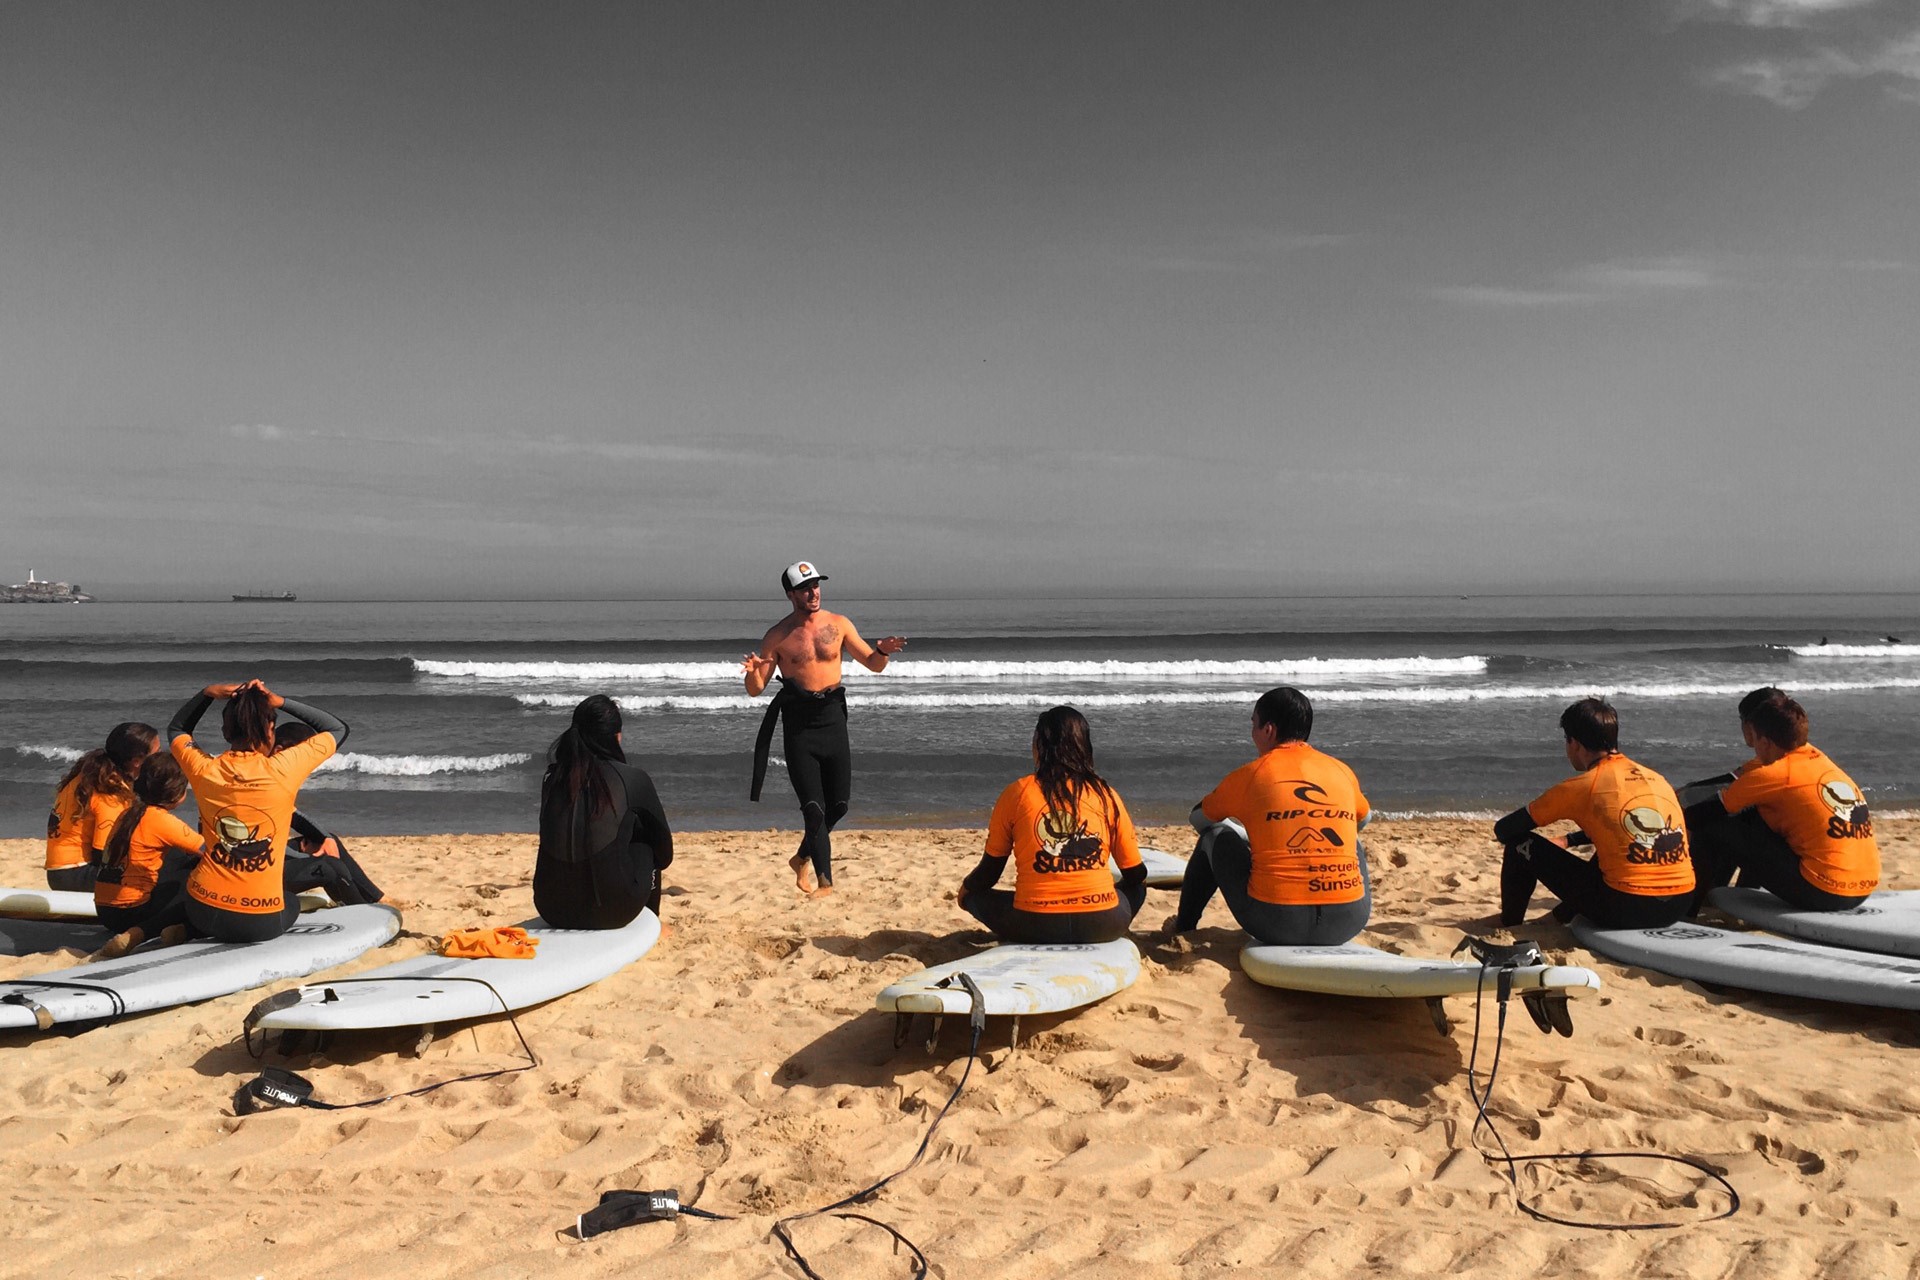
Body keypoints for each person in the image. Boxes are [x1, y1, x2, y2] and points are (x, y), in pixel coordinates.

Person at [742, 559, 906, 897]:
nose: (813, 592)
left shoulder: (839, 624)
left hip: (832, 719)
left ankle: (801, 856)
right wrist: (752, 672)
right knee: (813, 808)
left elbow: (873, 665)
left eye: (816, 585)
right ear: (791, 594)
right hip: (799, 727)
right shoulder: (777, 636)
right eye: (805, 588)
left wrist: (882, 651)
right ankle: (825, 882)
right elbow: (757, 688)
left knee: (839, 806)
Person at [1171, 686, 1372, 946]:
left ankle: (1184, 926)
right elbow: (1363, 820)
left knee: (1214, 836)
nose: (1252, 733)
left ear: (1268, 730)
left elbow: (1199, 820)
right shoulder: (1341, 770)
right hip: (1347, 921)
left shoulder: (1250, 775)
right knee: (1351, 841)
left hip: (1277, 922)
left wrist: (1253, 836)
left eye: (1253, 725)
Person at [169, 680, 345, 943]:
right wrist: (280, 701)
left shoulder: (203, 768)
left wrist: (206, 694)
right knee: (300, 895)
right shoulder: (284, 768)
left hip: (201, 910)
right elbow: (337, 728)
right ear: (270, 730)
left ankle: (190, 929)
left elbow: (178, 728)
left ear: (225, 731)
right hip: (260, 923)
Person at [1494, 697, 1693, 929]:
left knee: (1521, 844)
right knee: (1615, 848)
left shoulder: (1581, 786)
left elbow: (1505, 829)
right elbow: (1616, 820)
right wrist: (1569, 840)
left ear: (1574, 744)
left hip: (1627, 908)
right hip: (1680, 903)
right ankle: (1561, 917)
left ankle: (1510, 924)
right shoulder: (1656, 779)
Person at [958, 706, 1147, 944]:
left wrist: (966, 890)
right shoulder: (1105, 795)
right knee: (1139, 890)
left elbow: (989, 872)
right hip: (1102, 925)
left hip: (1035, 925)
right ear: (1084, 746)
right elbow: (1136, 874)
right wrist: (1103, 892)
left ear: (1040, 746)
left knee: (975, 897)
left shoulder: (1018, 792)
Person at [1685, 688, 1879, 912]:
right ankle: (1727, 900)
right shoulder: (1819, 760)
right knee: (1753, 818)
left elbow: (1699, 815)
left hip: (1826, 892)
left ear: (1765, 741)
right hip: (1862, 887)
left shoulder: (1773, 774)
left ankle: (1690, 910)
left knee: (1715, 824)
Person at [535, 694, 673, 930]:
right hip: (612, 912)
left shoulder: (552, 777)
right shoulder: (632, 778)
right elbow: (664, 853)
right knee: (645, 843)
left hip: (551, 907)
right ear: (615, 736)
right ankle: (652, 925)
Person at [90, 754, 203, 959]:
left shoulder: (127, 814)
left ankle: (181, 931)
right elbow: (212, 851)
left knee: (176, 856)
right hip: (132, 914)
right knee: (197, 878)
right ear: (176, 791)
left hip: (105, 912)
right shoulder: (161, 821)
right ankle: (141, 933)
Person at [270, 721, 391, 906]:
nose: (309, 763)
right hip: (257, 872)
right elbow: (257, 849)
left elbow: (294, 817)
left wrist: (325, 838)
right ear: (280, 751)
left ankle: (374, 898)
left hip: (268, 859)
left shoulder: (276, 776)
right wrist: (309, 857)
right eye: (304, 756)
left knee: (327, 840)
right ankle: (360, 912)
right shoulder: (264, 784)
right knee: (330, 866)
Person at [45, 722, 159, 891]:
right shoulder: (110, 790)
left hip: (60, 870)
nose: (161, 758)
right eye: (156, 754)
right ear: (137, 761)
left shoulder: (91, 771)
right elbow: (104, 854)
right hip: (74, 873)